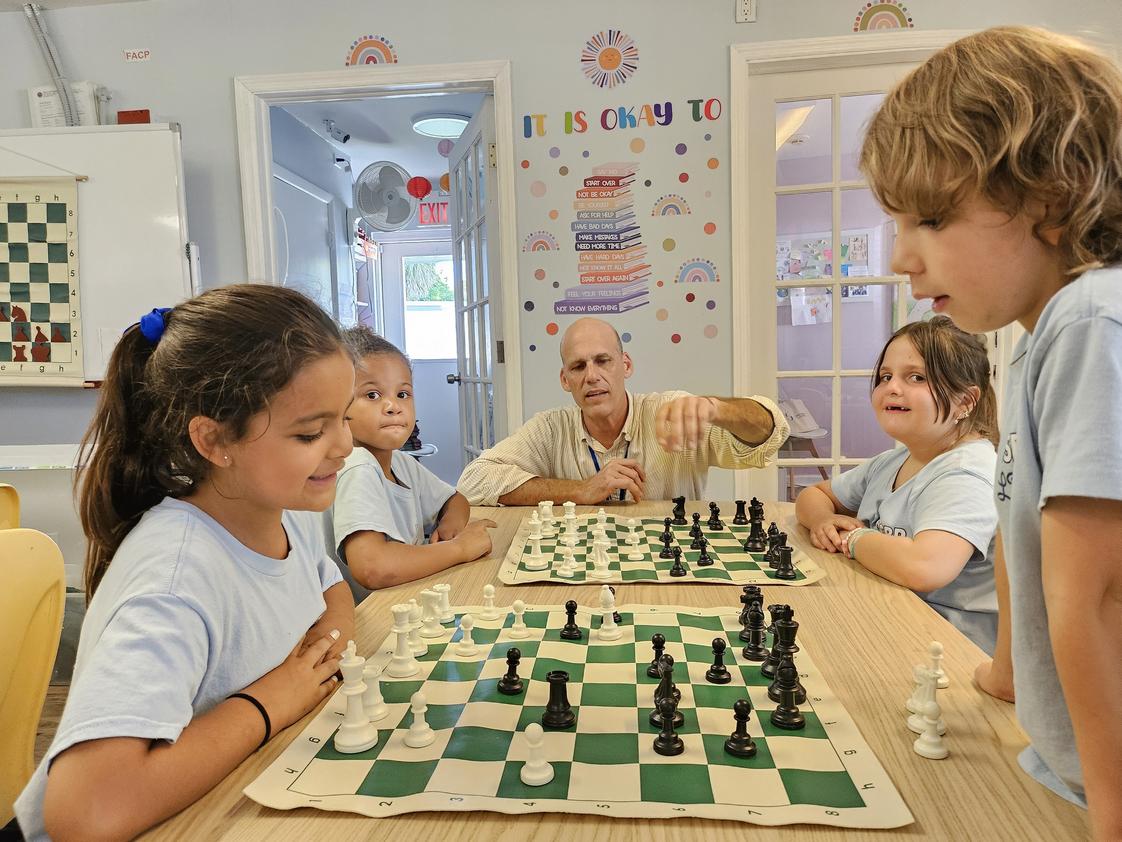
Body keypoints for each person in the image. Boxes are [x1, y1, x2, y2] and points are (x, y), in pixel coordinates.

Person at [860, 26, 1122, 837]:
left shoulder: (1091, 320)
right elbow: (1024, 533)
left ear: (1050, 194)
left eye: (930, 219)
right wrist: (1009, 671)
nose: (900, 258)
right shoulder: (1040, 332)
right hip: (1065, 757)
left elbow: (1099, 595)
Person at [16, 286, 356, 842]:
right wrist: (274, 698)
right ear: (215, 440)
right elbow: (85, 812)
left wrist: (313, 665)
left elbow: (331, 591)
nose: (344, 444)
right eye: (311, 432)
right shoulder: (175, 577)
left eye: (344, 417)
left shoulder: (277, 508)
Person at [795, 317, 999, 653]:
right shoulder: (896, 460)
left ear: (965, 401)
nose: (892, 387)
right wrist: (822, 520)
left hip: (952, 652)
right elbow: (814, 495)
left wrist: (854, 538)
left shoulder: (967, 473)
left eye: (916, 377)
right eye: (885, 377)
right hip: (894, 618)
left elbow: (926, 566)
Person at [457, 317, 789, 505]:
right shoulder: (550, 428)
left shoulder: (674, 412)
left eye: (603, 361)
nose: (591, 376)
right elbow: (473, 481)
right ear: (565, 379)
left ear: (625, 365)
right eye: (577, 366)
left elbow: (771, 435)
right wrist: (580, 489)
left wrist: (719, 410)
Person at [326, 328, 495, 598]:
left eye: (403, 394)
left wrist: (450, 525)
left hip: (407, 599)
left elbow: (455, 499)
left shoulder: (401, 463)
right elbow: (373, 567)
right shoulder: (357, 465)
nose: (393, 406)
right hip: (374, 620)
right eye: (372, 395)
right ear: (338, 405)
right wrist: (459, 549)